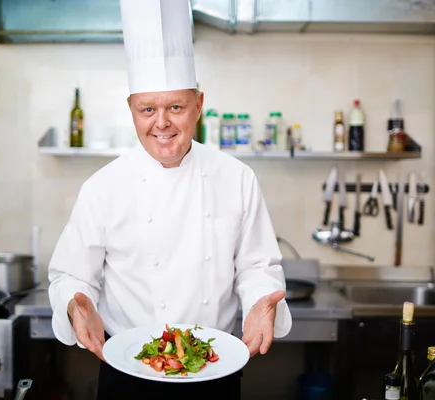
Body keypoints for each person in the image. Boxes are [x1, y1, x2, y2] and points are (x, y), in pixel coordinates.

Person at [47, 0, 292, 398]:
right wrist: (76, 306)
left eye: (176, 107)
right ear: (131, 110)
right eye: (148, 109)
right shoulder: (102, 186)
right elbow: (72, 276)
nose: (161, 123)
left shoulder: (236, 177)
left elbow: (256, 266)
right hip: (127, 371)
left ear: (199, 105)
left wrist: (261, 300)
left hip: (215, 368)